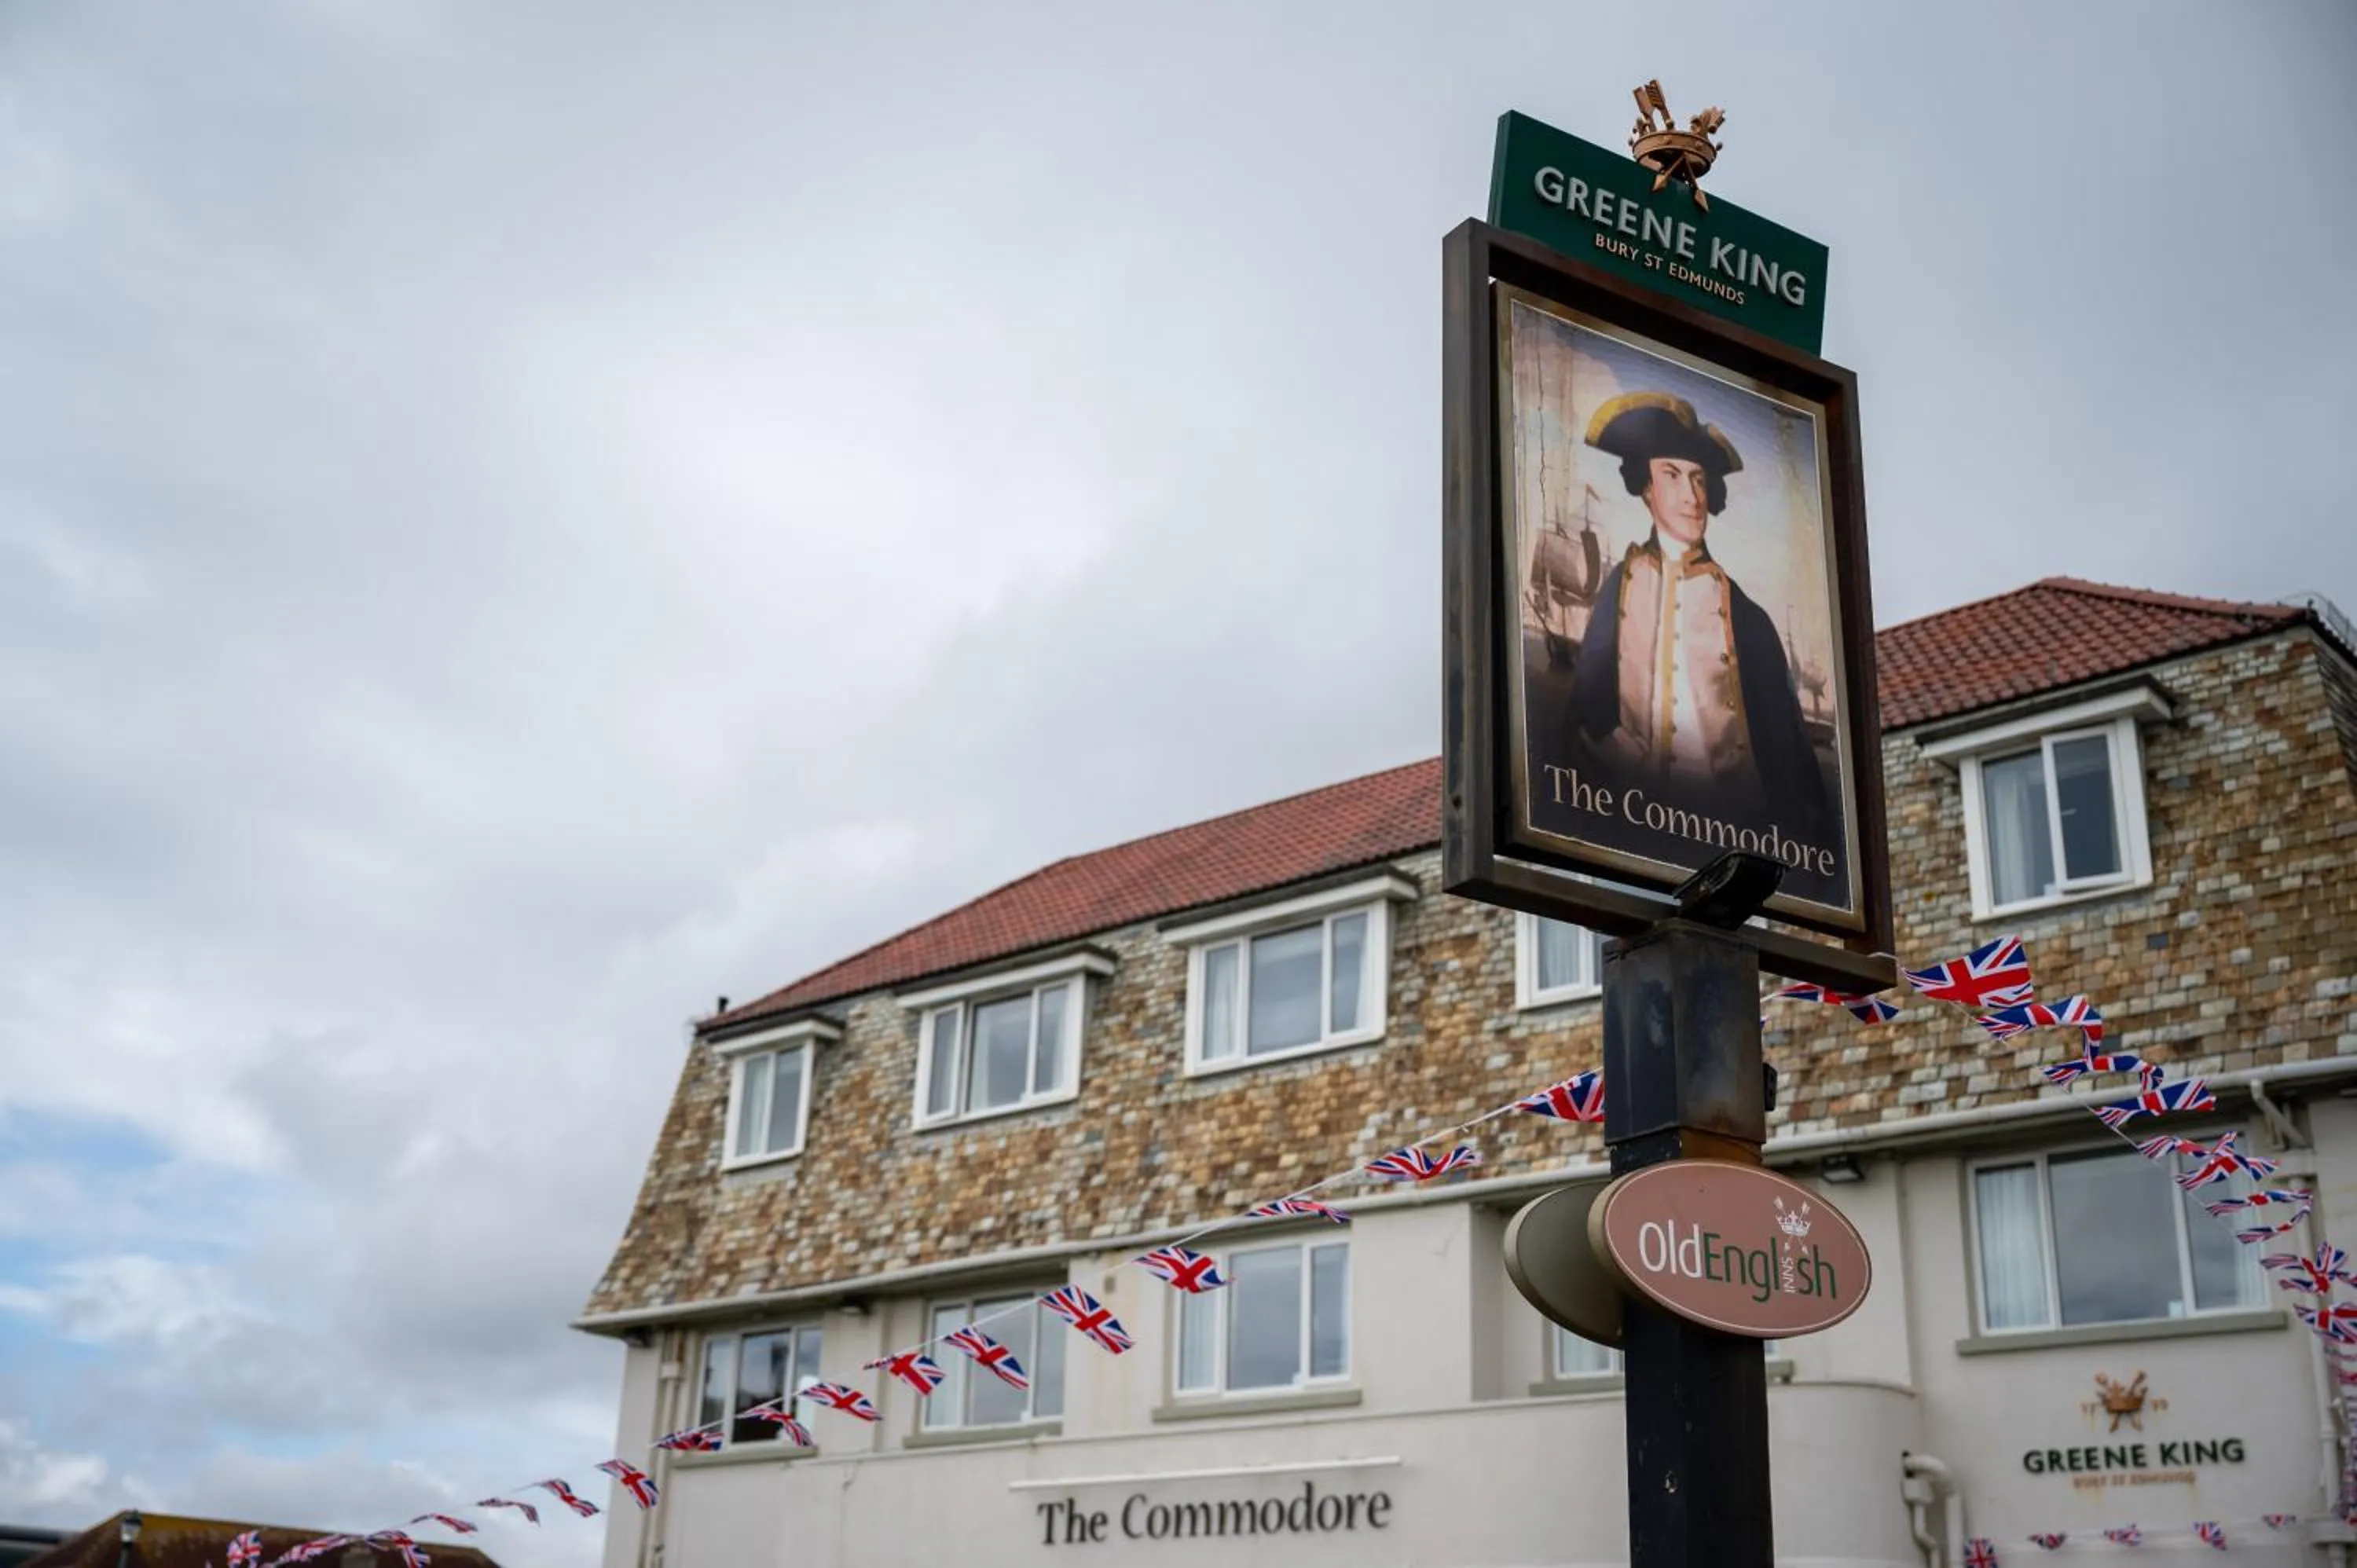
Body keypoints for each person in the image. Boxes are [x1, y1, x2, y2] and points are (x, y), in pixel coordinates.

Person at [1564, 390, 1834, 887]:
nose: (1691, 495)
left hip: (1734, 840)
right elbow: (1586, 707)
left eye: (1698, 479)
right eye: (1672, 475)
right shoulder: (1619, 587)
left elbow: (1787, 749)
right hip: (1632, 824)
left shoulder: (1746, 617)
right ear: (1646, 488)